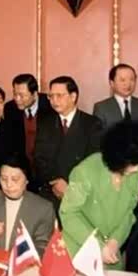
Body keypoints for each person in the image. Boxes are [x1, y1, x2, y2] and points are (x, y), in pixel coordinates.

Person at [60, 121, 138, 269]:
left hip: (111, 253)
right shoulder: (85, 171)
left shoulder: (137, 171)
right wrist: (98, 246)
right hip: (79, 250)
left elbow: (129, 213)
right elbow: (68, 214)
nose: (137, 169)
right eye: (133, 164)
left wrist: (115, 240)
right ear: (118, 158)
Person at [33, 76, 103, 207]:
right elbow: (39, 157)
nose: (54, 100)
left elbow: (94, 160)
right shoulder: (45, 123)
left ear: (73, 96)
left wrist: (70, 185)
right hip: (51, 190)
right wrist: (55, 181)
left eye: (59, 95)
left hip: (81, 191)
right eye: (51, 96)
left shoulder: (92, 124)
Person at [0, 154, 55, 256]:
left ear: (27, 180)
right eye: (4, 179)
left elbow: (43, 248)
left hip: (25, 264)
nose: (8, 185)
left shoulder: (43, 208)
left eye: (15, 179)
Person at [3, 73, 55, 171]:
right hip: (22, 166)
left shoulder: (51, 106)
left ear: (34, 94)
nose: (17, 99)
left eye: (22, 95)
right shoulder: (10, 108)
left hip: (47, 165)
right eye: (15, 94)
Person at [92, 63, 138, 129]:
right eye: (122, 80)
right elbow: (98, 133)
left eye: (132, 79)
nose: (128, 84)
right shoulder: (101, 108)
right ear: (112, 83)